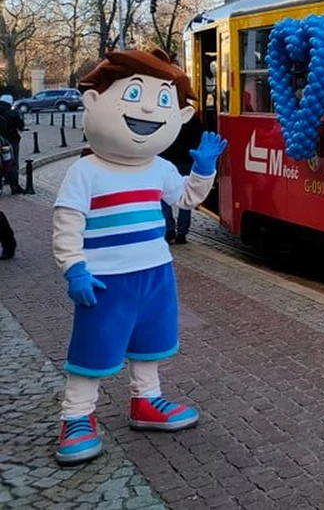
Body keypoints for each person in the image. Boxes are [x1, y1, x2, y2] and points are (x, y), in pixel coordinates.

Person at [50, 48, 226, 465]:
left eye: (163, 99)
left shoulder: (159, 167)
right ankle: (76, 417)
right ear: (94, 103)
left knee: (151, 343)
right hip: (105, 279)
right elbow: (67, 221)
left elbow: (185, 199)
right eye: (134, 94)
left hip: (155, 274)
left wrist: (203, 171)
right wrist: (73, 267)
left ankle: (146, 401)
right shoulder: (85, 172)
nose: (149, 108)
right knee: (92, 350)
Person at [158, 112, 205, 244]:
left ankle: (169, 229)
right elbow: (199, 140)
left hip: (168, 160)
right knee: (185, 197)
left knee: (164, 197)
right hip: (188, 161)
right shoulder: (194, 120)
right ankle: (182, 233)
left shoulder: (166, 117)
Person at [0, 94, 26, 194]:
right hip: (10, 142)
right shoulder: (12, 113)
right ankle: (14, 186)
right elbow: (21, 125)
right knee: (13, 162)